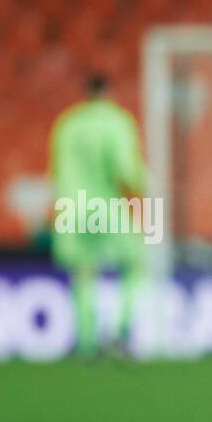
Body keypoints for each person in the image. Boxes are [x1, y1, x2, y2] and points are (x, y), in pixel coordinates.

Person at [48, 73, 147, 357]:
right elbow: (124, 169)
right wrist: (145, 188)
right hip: (104, 204)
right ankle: (121, 333)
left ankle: (87, 343)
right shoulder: (117, 121)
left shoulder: (67, 123)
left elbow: (56, 170)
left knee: (83, 272)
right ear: (108, 92)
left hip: (71, 206)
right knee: (135, 264)